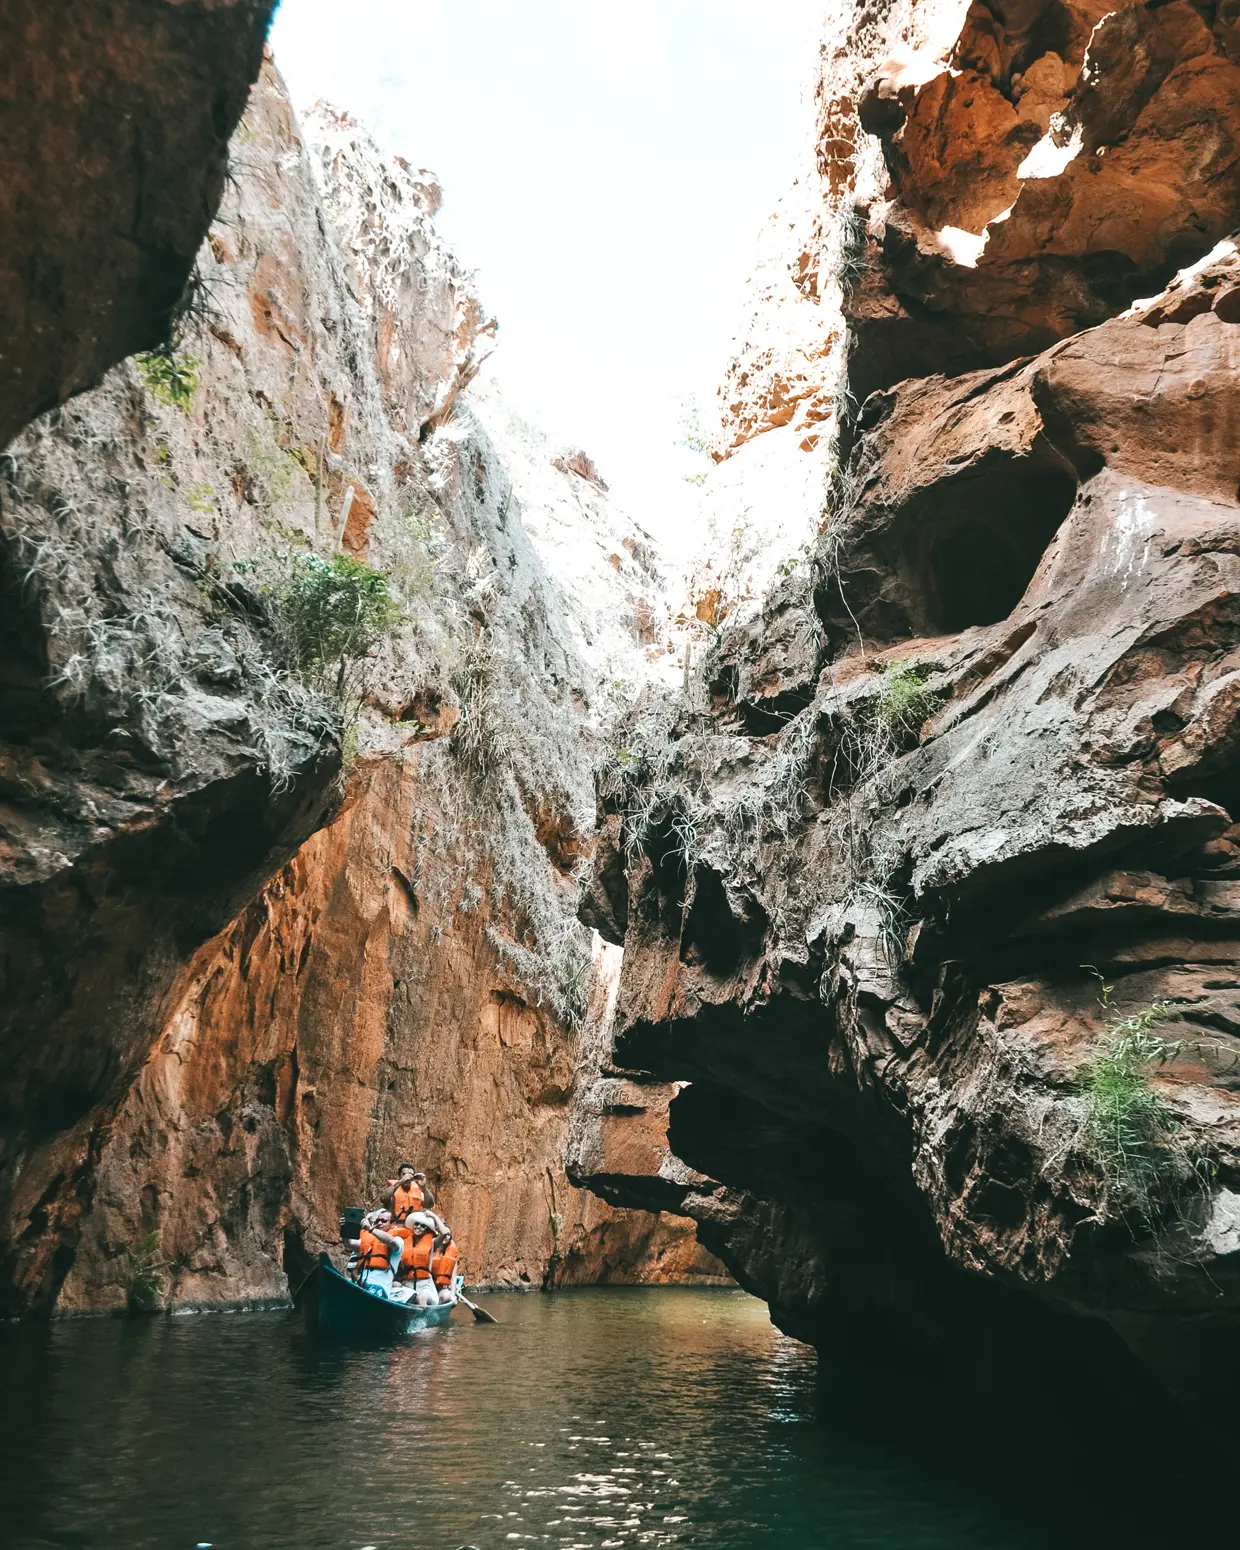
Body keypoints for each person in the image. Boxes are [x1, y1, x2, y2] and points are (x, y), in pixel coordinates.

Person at [350, 1209, 402, 1297]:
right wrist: (345, 1228)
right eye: (378, 1220)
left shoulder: (398, 1240)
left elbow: (391, 1241)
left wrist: (370, 1229)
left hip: (380, 1287)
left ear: (393, 1224)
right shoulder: (369, 1239)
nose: (379, 1223)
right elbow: (349, 1243)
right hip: (361, 1283)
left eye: (384, 1221)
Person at [430, 1233, 460, 1303]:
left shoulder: (452, 1256)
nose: (445, 1237)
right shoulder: (431, 1250)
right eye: (443, 1234)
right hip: (429, 1286)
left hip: (442, 1288)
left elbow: (453, 1277)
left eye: (448, 1235)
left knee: (446, 1297)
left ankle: (436, 1308)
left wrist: (453, 1295)